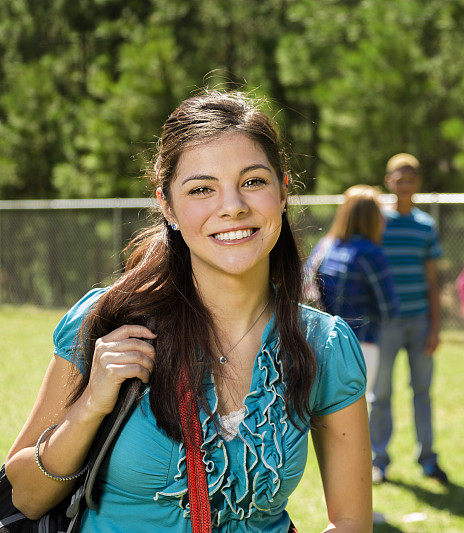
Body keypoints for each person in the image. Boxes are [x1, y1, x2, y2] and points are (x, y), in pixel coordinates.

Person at [4, 91, 372, 531]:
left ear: (284, 189)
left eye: (253, 181)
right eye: (201, 189)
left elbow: (352, 520)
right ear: (167, 206)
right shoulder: (107, 319)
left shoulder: (323, 346)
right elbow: (23, 498)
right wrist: (88, 408)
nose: (233, 206)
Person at [369, 153, 448, 485]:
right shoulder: (377, 224)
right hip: (385, 325)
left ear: (418, 183)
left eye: (410, 179)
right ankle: (379, 461)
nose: (404, 185)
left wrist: (435, 326)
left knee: (422, 392)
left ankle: (428, 459)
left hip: (419, 322)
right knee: (380, 394)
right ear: (389, 181)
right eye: (398, 179)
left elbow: (433, 281)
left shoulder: (425, 226)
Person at [313, 184, 400, 398]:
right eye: (380, 213)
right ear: (370, 217)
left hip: (322, 343)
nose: (384, 219)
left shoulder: (326, 246)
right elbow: (389, 307)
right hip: (361, 344)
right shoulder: (371, 253)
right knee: (359, 409)